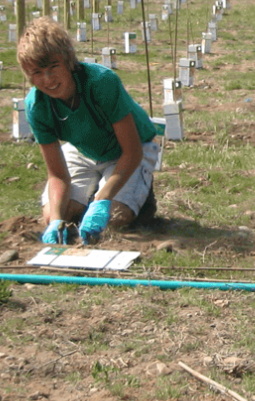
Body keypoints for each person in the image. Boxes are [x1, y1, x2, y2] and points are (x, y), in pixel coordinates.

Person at [17, 17, 159, 244]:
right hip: (83, 148)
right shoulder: (36, 106)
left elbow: (131, 152)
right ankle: (92, 198)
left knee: (114, 217)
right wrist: (56, 221)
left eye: (54, 67)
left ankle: (136, 200)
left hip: (129, 150)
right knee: (58, 214)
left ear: (68, 61)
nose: (48, 79)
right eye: (37, 72)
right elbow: (57, 174)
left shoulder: (101, 83)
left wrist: (101, 200)